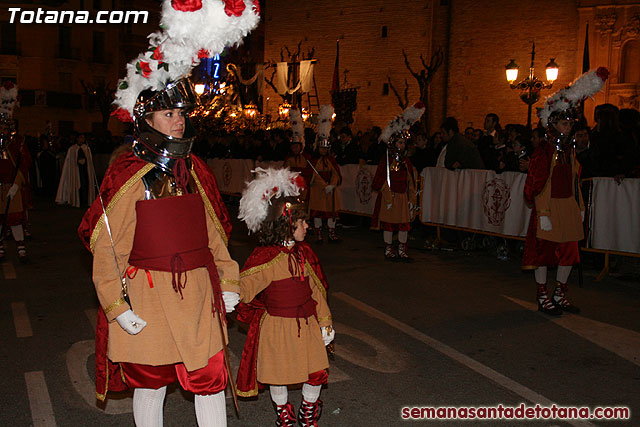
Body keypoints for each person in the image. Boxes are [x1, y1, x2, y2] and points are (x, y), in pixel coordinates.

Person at [79, 77, 243, 426]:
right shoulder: (130, 176)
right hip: (148, 295)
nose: (179, 120)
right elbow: (109, 248)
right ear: (146, 121)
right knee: (151, 385)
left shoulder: (196, 171)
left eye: (181, 113)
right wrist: (116, 306)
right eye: (168, 113)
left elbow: (215, 235)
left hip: (198, 293)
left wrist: (229, 280)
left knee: (210, 382)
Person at [235, 167, 334, 427]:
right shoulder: (266, 258)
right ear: (286, 224)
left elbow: (316, 290)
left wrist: (325, 321)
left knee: (315, 371)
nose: (307, 226)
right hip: (277, 326)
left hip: (308, 324)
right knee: (278, 374)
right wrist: (227, 292)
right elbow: (244, 287)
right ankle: (284, 413)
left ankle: (308, 411)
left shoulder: (305, 254)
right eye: (302, 222)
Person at [523, 67, 609, 315]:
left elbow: (573, 179)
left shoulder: (569, 149)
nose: (569, 126)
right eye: (564, 122)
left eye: (571, 122)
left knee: (568, 253)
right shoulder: (544, 150)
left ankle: (560, 293)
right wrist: (544, 213)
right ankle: (542, 295)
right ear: (553, 123)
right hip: (548, 209)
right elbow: (536, 183)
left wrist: (579, 206)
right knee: (544, 254)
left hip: (568, 206)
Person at [372, 102, 424, 261]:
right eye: (399, 143)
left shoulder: (406, 161)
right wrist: (387, 195)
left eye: (403, 143)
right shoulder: (386, 160)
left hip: (401, 198)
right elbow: (379, 179)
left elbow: (410, 180)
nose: (402, 146)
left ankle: (402, 249)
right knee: (388, 224)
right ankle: (389, 249)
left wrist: (411, 199)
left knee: (403, 225)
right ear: (393, 143)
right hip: (389, 197)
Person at [0, 81, 31, 262]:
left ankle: (20, 247)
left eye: (6, 125)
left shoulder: (18, 142)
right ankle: (1, 247)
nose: (3, 128)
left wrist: (17, 184)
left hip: (13, 185)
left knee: (15, 218)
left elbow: (25, 163)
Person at [307, 105, 342, 244]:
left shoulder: (331, 160)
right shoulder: (314, 161)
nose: (323, 150)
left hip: (330, 191)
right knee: (317, 213)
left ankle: (332, 234)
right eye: (322, 148)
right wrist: (323, 185)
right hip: (318, 190)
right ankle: (319, 234)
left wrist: (332, 185)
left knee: (331, 213)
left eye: (325, 148)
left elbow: (335, 173)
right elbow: (313, 176)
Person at [56, 132, 96, 207]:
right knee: (78, 184)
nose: (82, 139)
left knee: (85, 184)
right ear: (77, 138)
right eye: (81, 137)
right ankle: (77, 200)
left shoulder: (86, 149)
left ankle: (85, 200)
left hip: (84, 171)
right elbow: (70, 162)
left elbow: (89, 162)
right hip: (76, 171)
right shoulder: (72, 149)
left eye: (83, 138)